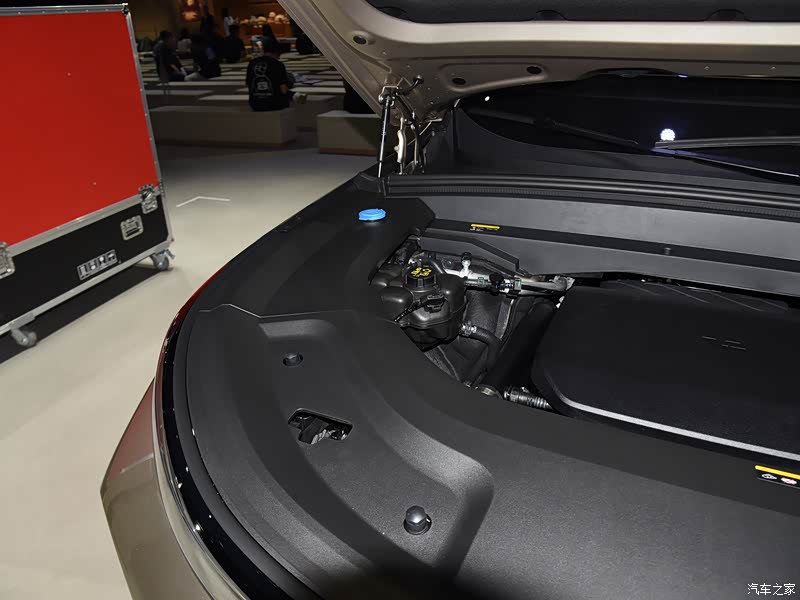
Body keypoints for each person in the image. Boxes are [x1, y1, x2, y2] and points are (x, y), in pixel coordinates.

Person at [246, 37, 291, 111]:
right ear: (277, 52)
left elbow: (249, 84)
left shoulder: (252, 63)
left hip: (255, 104)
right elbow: (283, 89)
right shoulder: (278, 64)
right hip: (274, 104)